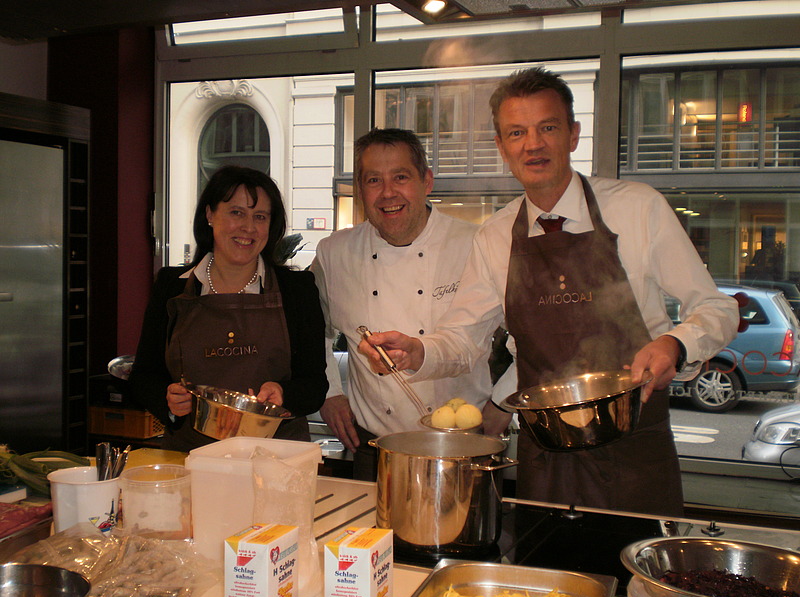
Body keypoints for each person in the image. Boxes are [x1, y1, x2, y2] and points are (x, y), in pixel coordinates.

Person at [359, 68, 740, 516]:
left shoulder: (637, 208)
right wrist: (418, 352)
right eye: (516, 133)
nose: (533, 144)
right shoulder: (496, 236)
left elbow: (716, 308)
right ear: (501, 147)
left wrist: (676, 343)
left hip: (634, 447)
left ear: (573, 135)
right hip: (546, 452)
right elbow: (464, 339)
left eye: (548, 128)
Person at [309, 127, 500, 481]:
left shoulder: (476, 244)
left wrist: (503, 402)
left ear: (426, 181)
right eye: (374, 180)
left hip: (461, 444)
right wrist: (329, 392)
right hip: (375, 447)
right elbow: (310, 328)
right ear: (360, 189)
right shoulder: (334, 252)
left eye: (400, 177)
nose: (388, 193)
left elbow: (527, 335)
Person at [129, 165, 328, 451]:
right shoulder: (171, 287)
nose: (248, 227)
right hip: (191, 456)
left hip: (276, 458)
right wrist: (167, 398)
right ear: (210, 214)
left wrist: (284, 393)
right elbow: (144, 375)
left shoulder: (297, 290)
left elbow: (315, 384)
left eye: (260, 216)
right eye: (236, 212)